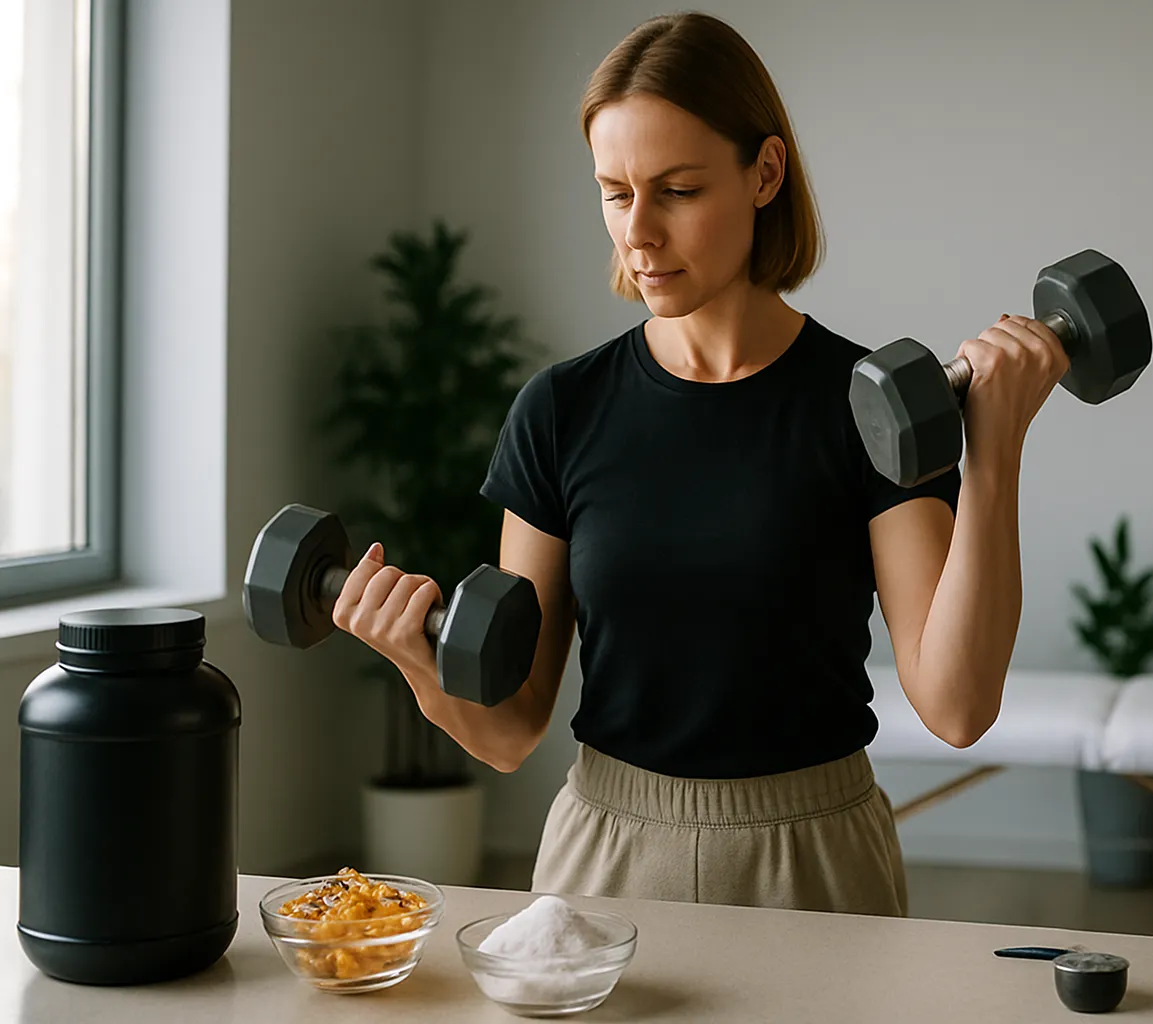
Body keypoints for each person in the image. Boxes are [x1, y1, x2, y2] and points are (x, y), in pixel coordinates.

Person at [331, 11, 1068, 918]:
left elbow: (957, 708)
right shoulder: (560, 411)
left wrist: (994, 451)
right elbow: (513, 727)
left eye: (676, 191)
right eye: (614, 192)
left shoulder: (866, 407)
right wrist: (414, 659)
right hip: (603, 860)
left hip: (816, 861)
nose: (637, 231)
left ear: (765, 173)